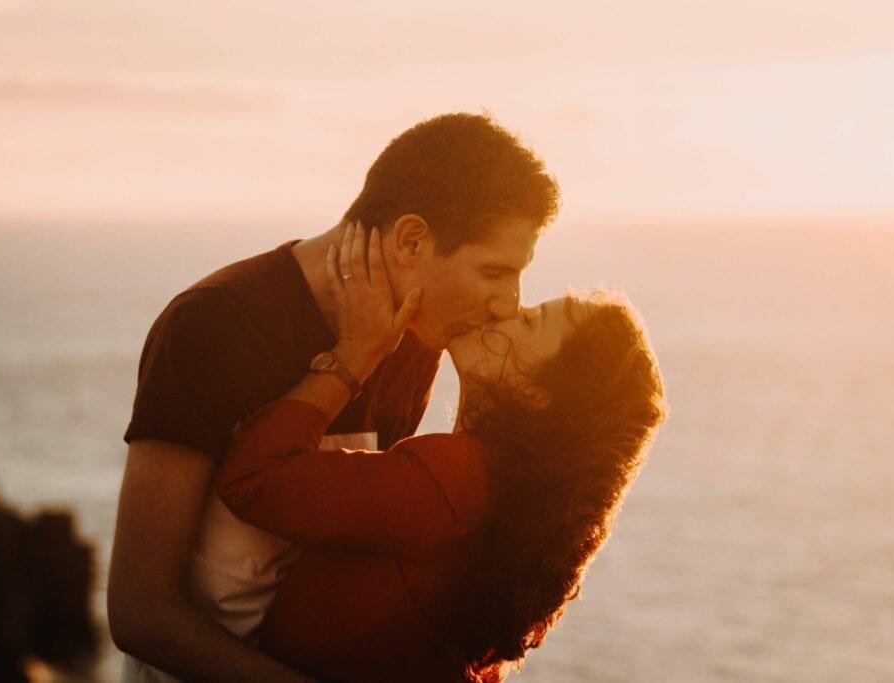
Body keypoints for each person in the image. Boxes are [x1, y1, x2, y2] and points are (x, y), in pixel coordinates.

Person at [108, 113, 560, 681]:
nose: (508, 303)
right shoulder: (213, 325)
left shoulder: (416, 339)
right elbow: (139, 611)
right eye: (493, 271)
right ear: (412, 239)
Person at [217, 225, 667, 682]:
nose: (507, 307)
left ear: (540, 395)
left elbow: (253, 478)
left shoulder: (455, 479)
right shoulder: (512, 512)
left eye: (529, 320)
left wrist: (352, 356)